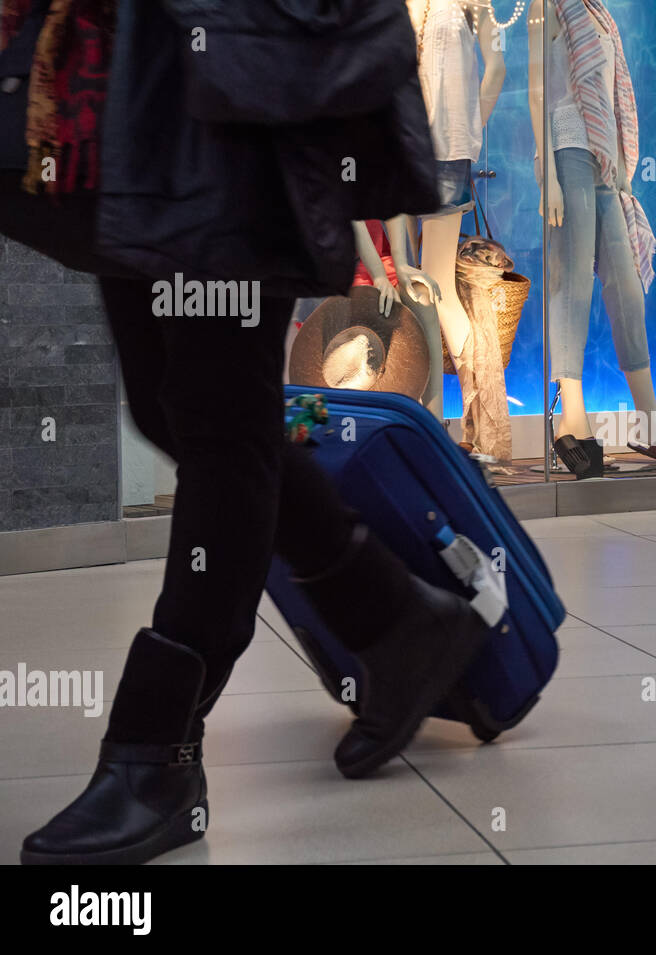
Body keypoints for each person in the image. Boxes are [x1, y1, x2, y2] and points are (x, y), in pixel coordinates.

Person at [4, 0, 489, 865]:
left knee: (221, 419)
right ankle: (398, 619)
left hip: (238, 87)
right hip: (126, 95)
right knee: (169, 404)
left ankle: (157, 753)